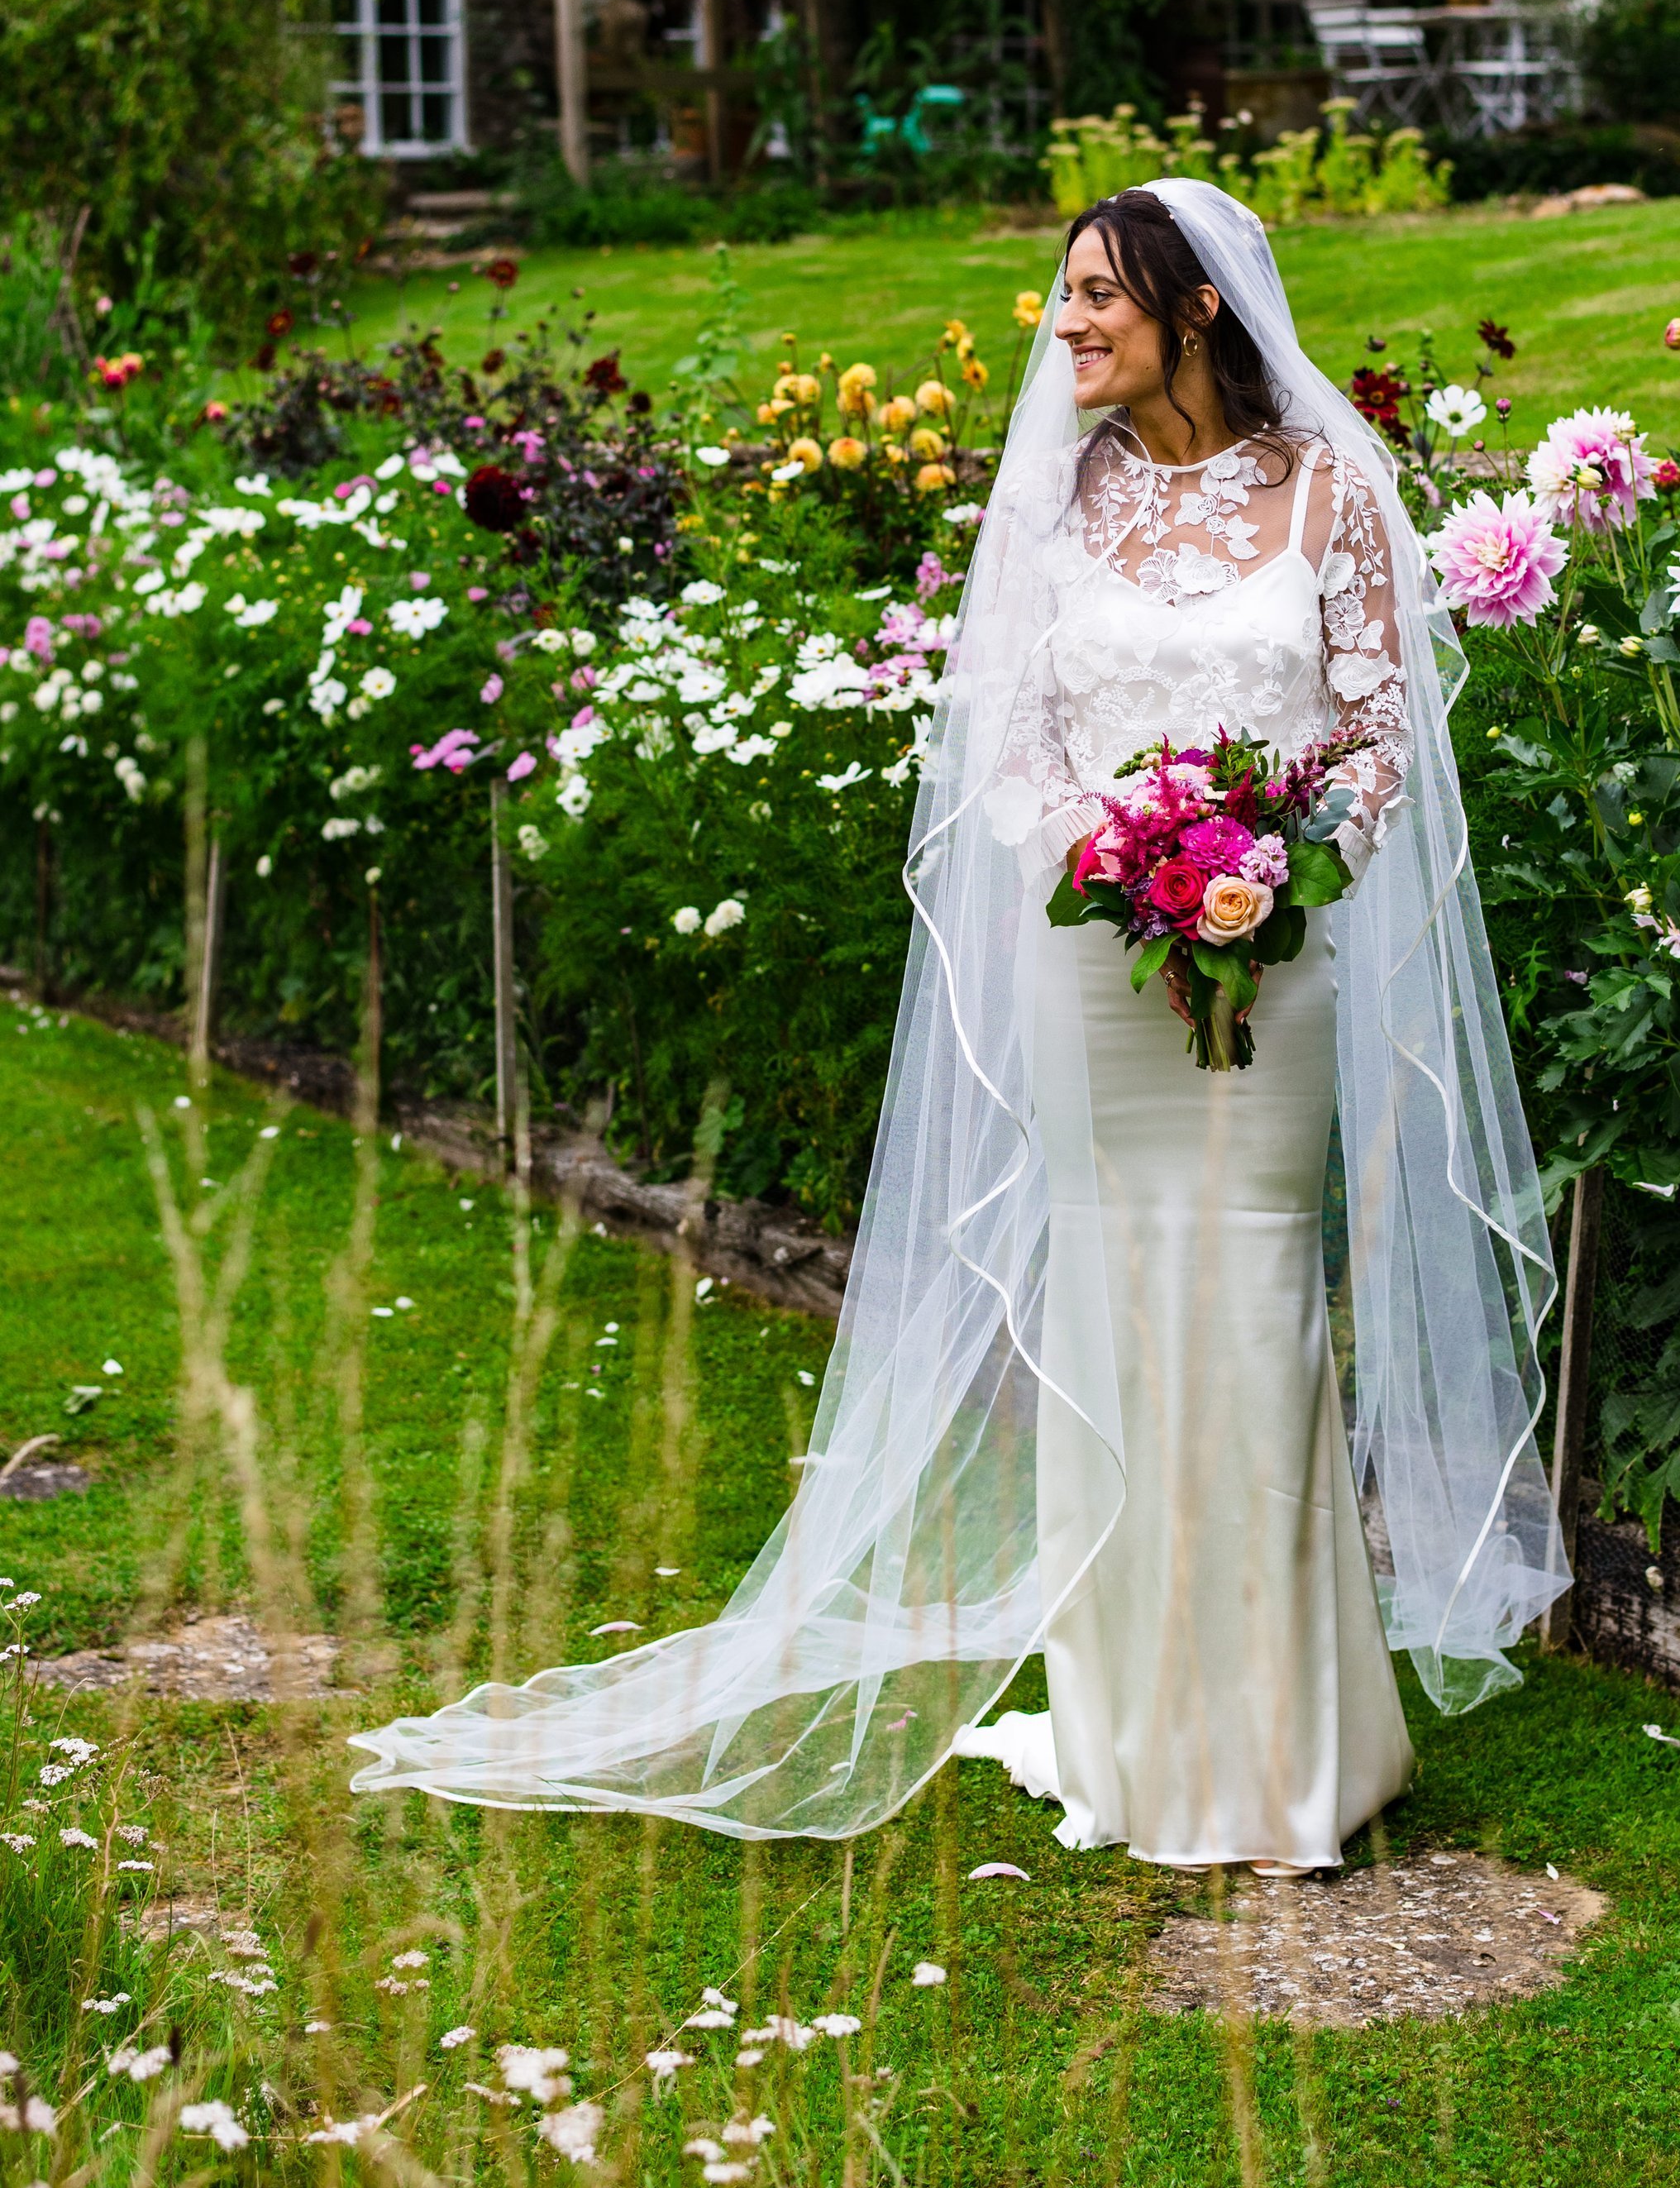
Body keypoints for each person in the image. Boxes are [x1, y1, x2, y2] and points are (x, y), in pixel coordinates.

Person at [349, 180, 1566, 1856]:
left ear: (1192, 307)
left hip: (1268, 966)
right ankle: (1131, 1739)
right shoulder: (1053, 508)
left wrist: (1274, 868)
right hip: (1098, 978)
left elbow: (1375, 736)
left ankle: (1282, 1754)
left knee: (1254, 1326)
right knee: (1119, 1338)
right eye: (1057, 298)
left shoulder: (1325, 495)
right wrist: (1108, 847)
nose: (1063, 325)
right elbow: (1000, 749)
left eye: (1094, 297)